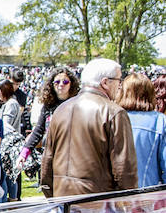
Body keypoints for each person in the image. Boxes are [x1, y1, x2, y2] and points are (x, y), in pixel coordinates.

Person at [40, 58, 137, 198]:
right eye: (118, 80)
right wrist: (128, 203)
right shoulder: (114, 112)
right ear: (105, 82)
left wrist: (51, 194)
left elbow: (47, 161)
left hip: (62, 199)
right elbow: (124, 169)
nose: (120, 86)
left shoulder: (61, 109)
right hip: (97, 204)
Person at [17, 67, 80, 174]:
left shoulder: (78, 104)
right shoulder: (48, 106)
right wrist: (24, 153)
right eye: (57, 82)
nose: (61, 85)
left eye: (65, 82)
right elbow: (38, 131)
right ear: (52, 84)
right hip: (52, 155)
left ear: (71, 84)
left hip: (74, 158)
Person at [117, 72, 166, 188]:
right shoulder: (160, 121)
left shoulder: (113, 118)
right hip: (146, 195)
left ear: (123, 93)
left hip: (112, 197)